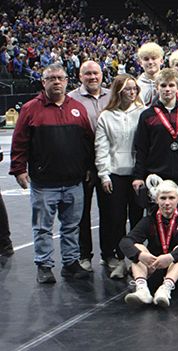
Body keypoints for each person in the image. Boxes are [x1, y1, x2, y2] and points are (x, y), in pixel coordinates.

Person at [10, 63, 94, 283]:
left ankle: (71, 263)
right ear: (43, 82)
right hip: (44, 183)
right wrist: (19, 169)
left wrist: (88, 167)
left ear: (67, 81)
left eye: (60, 78)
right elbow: (19, 141)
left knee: (71, 227)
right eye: (52, 78)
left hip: (74, 181)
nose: (57, 82)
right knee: (43, 228)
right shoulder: (30, 109)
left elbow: (87, 141)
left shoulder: (77, 107)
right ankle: (44, 265)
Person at [132, 68, 178, 214]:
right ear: (157, 87)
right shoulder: (147, 115)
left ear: (177, 87)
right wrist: (138, 176)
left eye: (171, 85)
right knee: (158, 215)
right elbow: (141, 148)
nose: (167, 89)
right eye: (163, 85)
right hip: (157, 173)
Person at [95, 74, 146, 279]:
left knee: (137, 218)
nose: (132, 92)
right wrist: (104, 174)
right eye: (127, 89)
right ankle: (117, 258)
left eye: (134, 89)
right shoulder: (106, 116)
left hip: (137, 174)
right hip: (115, 174)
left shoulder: (143, 112)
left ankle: (135, 259)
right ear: (118, 91)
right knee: (115, 219)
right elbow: (101, 147)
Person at [120, 180, 178, 307]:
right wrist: (140, 255)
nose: (167, 203)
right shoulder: (149, 220)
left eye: (171, 198)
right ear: (157, 200)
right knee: (137, 248)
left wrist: (170, 257)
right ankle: (142, 289)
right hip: (155, 266)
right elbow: (125, 241)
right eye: (163, 198)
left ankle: (166, 288)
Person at [68, 60, 111, 271]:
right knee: (82, 213)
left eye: (96, 73)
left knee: (110, 212)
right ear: (80, 76)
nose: (92, 77)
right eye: (88, 74)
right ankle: (84, 255)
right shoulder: (70, 99)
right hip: (83, 164)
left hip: (108, 162)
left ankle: (109, 254)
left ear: (102, 74)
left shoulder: (112, 95)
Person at [136, 42, 164, 106]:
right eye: (146, 59)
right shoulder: (136, 86)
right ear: (140, 63)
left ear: (161, 61)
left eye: (154, 58)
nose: (150, 62)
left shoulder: (170, 83)